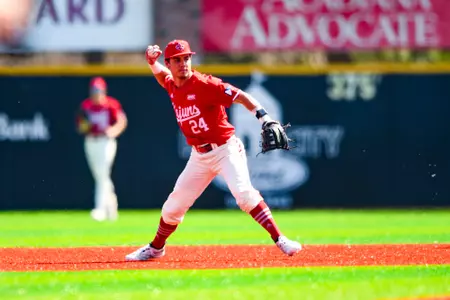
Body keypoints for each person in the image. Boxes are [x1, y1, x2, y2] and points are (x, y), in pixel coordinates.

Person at [126, 40, 301, 261]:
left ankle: (280, 239)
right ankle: (156, 248)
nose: (183, 64)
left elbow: (241, 96)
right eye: (177, 60)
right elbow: (163, 77)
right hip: (199, 156)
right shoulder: (172, 84)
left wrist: (264, 117)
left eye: (187, 58)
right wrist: (152, 63)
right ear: (169, 63)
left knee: (244, 195)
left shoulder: (205, 84)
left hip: (225, 149)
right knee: (173, 206)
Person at [76, 77, 127, 221]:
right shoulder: (86, 106)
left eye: (98, 90)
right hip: (91, 141)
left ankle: (100, 209)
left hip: (106, 141)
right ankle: (112, 205)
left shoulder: (111, 105)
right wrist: (85, 126)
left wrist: (114, 130)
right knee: (100, 175)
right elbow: (81, 125)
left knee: (103, 172)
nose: (96, 94)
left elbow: (122, 121)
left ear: (104, 91)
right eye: (94, 91)